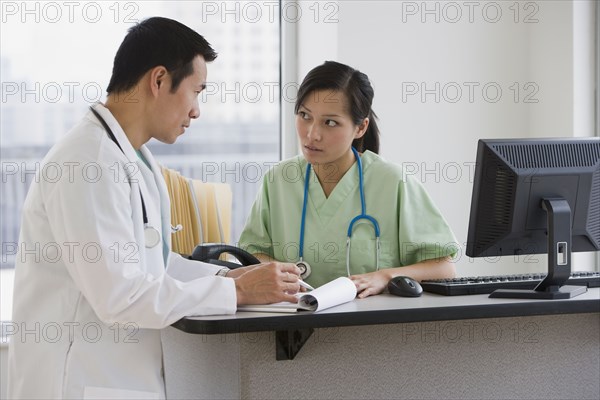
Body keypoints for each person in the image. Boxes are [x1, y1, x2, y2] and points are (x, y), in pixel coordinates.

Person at [7, 17, 302, 400]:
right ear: (159, 80)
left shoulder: (133, 157)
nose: (196, 111)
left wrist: (234, 278)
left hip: (121, 378)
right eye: (196, 91)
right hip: (74, 382)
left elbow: (156, 264)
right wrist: (237, 292)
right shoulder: (88, 161)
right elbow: (120, 295)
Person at [238, 61, 458, 297]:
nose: (312, 134)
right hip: (293, 323)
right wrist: (278, 274)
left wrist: (385, 276)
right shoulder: (279, 181)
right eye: (304, 115)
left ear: (361, 128)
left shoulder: (394, 183)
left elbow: (444, 268)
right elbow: (251, 255)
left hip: (369, 326)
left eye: (330, 122)